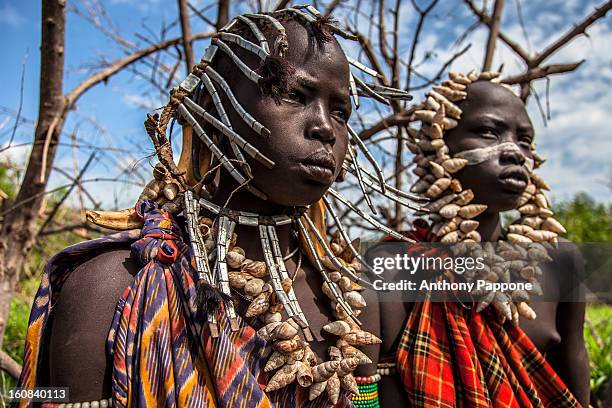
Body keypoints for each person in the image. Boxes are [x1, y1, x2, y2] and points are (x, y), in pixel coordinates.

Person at [15, 6, 416, 407]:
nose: (325, 127)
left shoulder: (350, 300)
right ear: (208, 107)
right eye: (294, 95)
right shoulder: (115, 288)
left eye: (340, 112)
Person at [374, 72, 588, 407]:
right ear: (439, 145)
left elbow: (574, 371)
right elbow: (377, 386)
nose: (514, 151)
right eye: (489, 132)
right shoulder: (397, 264)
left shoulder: (560, 260)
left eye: (525, 141)